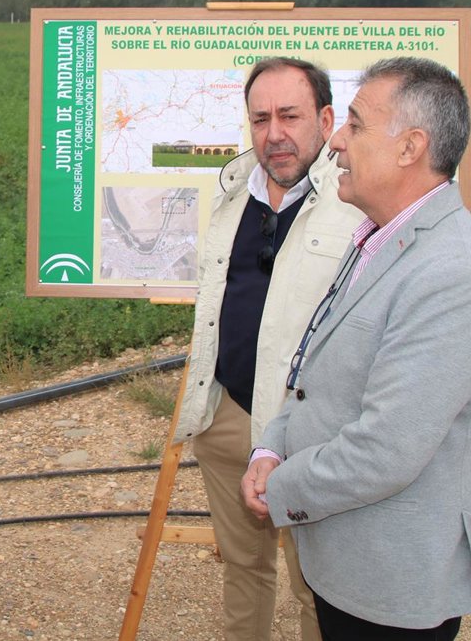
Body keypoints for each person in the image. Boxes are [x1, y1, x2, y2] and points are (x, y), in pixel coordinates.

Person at [242, 57, 471, 640]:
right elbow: (315, 367)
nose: (337, 140)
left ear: (410, 147)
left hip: (389, 588)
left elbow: (386, 450)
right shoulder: (378, 235)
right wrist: (272, 445)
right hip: (344, 565)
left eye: (357, 125)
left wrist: (278, 487)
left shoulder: (453, 273)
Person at [172, 58, 361, 640]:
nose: (274, 133)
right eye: (260, 119)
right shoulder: (233, 196)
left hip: (312, 431)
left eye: (289, 116)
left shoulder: (356, 206)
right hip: (229, 416)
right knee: (243, 569)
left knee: (319, 587)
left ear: (325, 120)